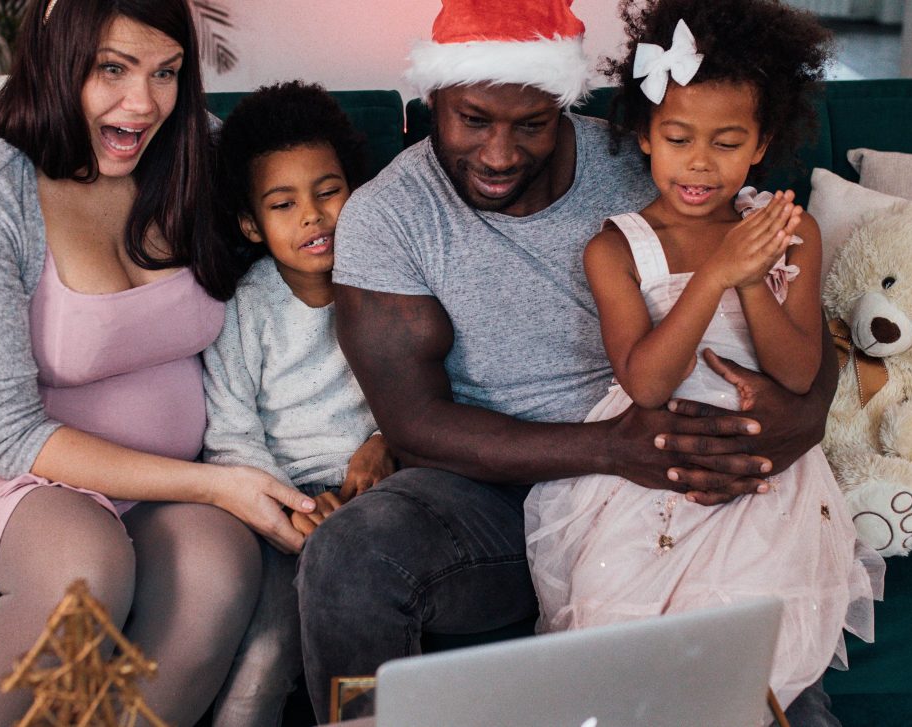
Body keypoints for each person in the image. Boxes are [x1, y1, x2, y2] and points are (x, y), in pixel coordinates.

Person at [298, 0, 848, 722]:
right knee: (351, 555)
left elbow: (797, 322)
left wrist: (794, 421)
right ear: (431, 101)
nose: (499, 155)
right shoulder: (390, 216)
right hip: (493, 488)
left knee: (759, 681)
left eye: (530, 124)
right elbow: (413, 423)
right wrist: (613, 448)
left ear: (564, 104)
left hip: (684, 468)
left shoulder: (657, 155)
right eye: (472, 120)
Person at [0, 1, 316, 725]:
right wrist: (216, 483)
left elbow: (321, 239)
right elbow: (8, 433)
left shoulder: (201, 158)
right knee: (83, 567)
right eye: (111, 69)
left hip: (157, 491)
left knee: (221, 565)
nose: (143, 103)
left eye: (166, 73)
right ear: (57, 55)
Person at [524, 0, 882, 709]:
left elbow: (796, 372)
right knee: (631, 672)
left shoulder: (790, 231)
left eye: (726, 141)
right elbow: (648, 381)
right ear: (646, 138)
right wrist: (717, 272)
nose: (699, 162)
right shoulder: (614, 247)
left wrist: (753, 279)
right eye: (678, 137)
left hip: (766, 480)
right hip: (650, 474)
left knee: (746, 674)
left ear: (760, 142)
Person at [203, 81, 396, 726]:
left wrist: (384, 444)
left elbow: (420, 388)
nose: (313, 216)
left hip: (373, 493)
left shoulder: (389, 280)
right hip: (276, 504)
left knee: (364, 642)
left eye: (328, 191)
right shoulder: (245, 307)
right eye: (283, 204)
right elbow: (230, 433)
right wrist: (296, 512)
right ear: (251, 223)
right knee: (265, 656)